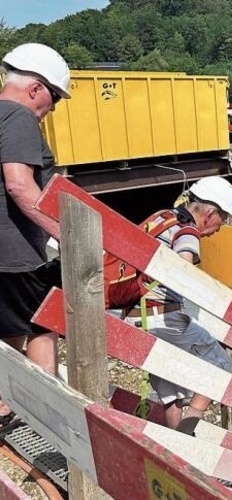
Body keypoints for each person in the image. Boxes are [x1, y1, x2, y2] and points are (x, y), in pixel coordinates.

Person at [122, 176, 232, 433]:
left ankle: (179, 445)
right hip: (162, 316)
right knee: (221, 364)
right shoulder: (187, 231)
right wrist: (229, 295)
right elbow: (183, 273)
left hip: (133, 313)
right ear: (209, 213)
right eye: (223, 219)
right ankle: (187, 432)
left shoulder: (162, 217)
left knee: (171, 390)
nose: (220, 228)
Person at [0, 43, 71, 426]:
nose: (52, 109)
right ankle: (45, 416)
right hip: (16, 255)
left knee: (13, 333)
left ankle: (26, 407)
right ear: (36, 89)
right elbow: (19, 185)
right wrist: (67, 234)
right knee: (44, 325)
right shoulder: (18, 117)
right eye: (55, 99)